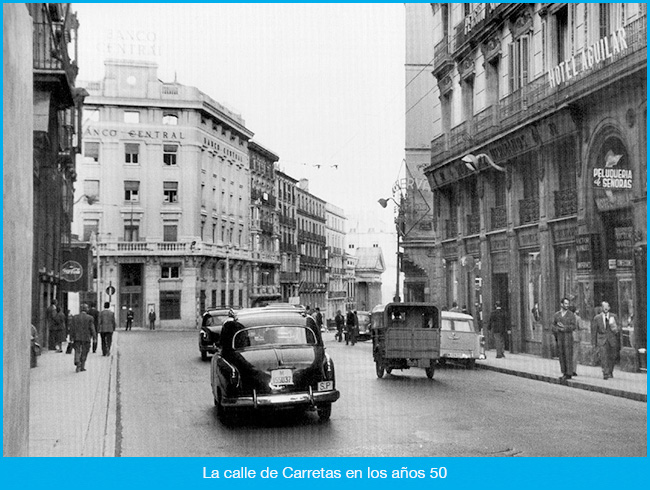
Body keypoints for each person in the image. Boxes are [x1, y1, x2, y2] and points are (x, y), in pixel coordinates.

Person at [591, 301, 619, 380]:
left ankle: (610, 371)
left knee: (612, 356)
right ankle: (605, 372)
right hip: (602, 340)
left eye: (607, 307)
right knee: (603, 357)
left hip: (612, 339)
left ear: (609, 308)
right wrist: (594, 343)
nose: (606, 308)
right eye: (604, 307)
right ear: (601, 308)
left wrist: (615, 327)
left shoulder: (614, 316)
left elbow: (619, 327)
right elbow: (594, 331)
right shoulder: (597, 318)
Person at [552, 298, 577, 381]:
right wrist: (557, 329)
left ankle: (569, 373)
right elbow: (553, 326)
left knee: (568, 355)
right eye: (565, 304)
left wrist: (564, 328)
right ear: (561, 304)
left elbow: (574, 326)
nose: (567, 305)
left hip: (568, 337)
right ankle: (564, 372)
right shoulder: (557, 315)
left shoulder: (571, 315)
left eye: (568, 304)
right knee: (561, 355)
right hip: (560, 338)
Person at [69, 304, 96, 373]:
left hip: (77, 337)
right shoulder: (90, 318)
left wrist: (71, 337)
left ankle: (77, 361)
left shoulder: (75, 317)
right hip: (86, 337)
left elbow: (72, 328)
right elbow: (92, 328)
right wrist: (94, 337)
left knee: (77, 350)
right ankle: (82, 366)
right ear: (86, 309)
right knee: (85, 351)